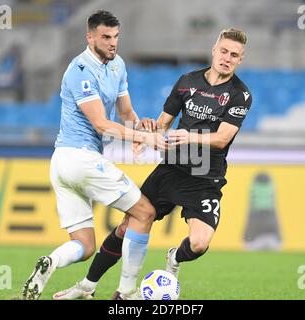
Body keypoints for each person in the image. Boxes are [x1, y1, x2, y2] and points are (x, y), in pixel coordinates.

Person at [52, 28, 252, 300]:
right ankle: (88, 285)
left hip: (205, 175)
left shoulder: (240, 94)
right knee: (127, 226)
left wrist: (189, 136)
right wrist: (147, 133)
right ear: (214, 49)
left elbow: (222, 139)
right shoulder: (186, 82)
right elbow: (163, 123)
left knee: (199, 243)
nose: (227, 58)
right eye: (225, 51)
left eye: (235, 55)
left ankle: (174, 258)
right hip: (171, 169)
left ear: (240, 60)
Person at [21, 10, 166, 300]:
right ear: (90, 37)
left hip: (63, 163)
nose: (113, 43)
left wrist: (139, 127)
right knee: (145, 212)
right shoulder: (80, 71)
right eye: (106, 37)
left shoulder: (117, 65)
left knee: (85, 246)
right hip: (80, 159)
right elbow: (100, 123)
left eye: (116, 37)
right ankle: (126, 293)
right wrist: (143, 137)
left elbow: (125, 113)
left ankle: (50, 262)